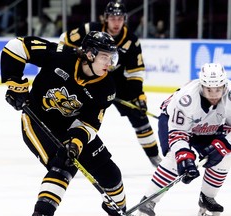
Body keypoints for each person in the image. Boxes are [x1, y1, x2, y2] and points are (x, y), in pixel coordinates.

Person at [1, 31, 127, 216]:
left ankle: (118, 211)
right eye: (105, 57)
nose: (110, 63)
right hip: (37, 120)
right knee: (63, 165)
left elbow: (90, 124)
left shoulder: (106, 87)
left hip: (71, 126)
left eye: (112, 57)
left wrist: (75, 142)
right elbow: (16, 46)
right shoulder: (60, 55)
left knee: (110, 174)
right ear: (90, 54)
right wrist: (15, 86)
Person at [136, 63, 231, 216]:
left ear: (225, 86)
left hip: (211, 125)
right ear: (201, 86)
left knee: (224, 156)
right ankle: (149, 201)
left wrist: (223, 145)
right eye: (209, 90)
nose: (214, 95)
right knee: (174, 159)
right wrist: (184, 155)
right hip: (174, 123)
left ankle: (207, 198)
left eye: (218, 89)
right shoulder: (186, 99)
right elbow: (178, 132)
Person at [59, 1, 162, 167]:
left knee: (140, 116)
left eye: (120, 18)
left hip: (118, 84)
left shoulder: (131, 40)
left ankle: (155, 157)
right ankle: (72, 151)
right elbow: (64, 40)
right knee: (79, 116)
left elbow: (135, 71)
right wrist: (72, 59)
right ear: (105, 18)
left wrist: (138, 96)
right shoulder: (90, 29)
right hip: (90, 80)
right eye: (113, 18)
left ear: (125, 19)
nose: (116, 22)